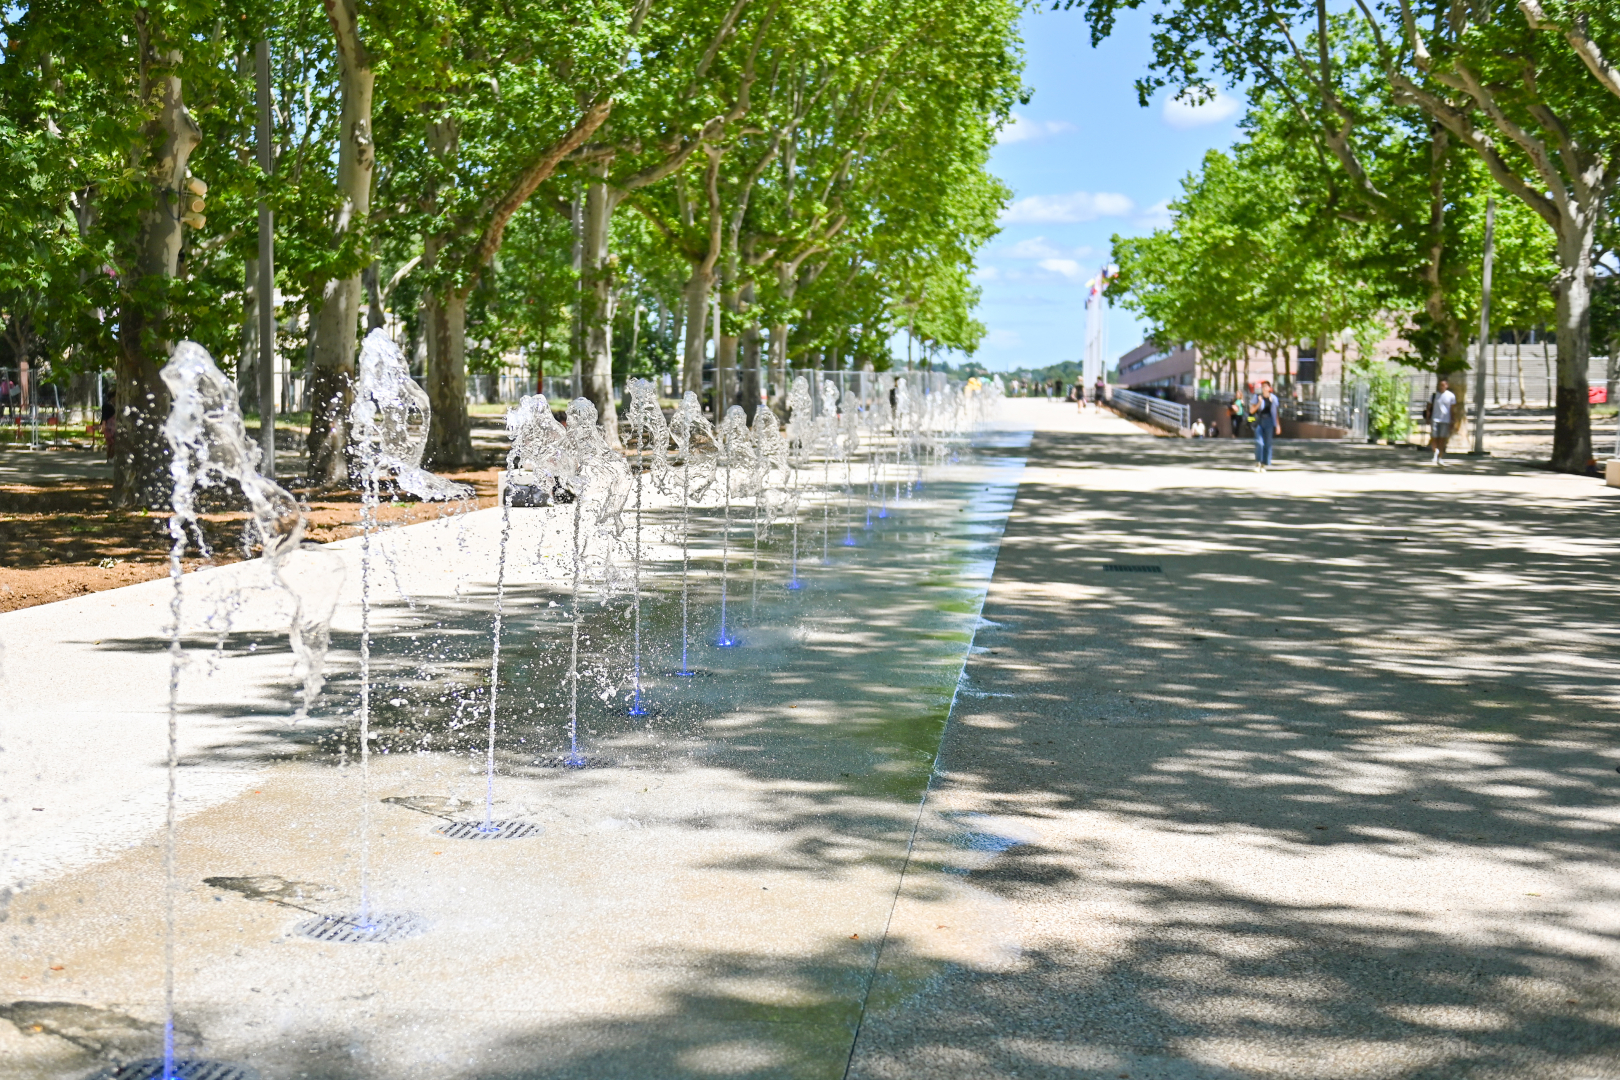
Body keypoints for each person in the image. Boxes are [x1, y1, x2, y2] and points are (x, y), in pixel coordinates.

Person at [1250, 379, 1281, 470]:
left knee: (1268, 443)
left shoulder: (1274, 399)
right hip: (1259, 421)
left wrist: (1278, 425)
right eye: (1262, 386)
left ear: (1269, 388)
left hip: (1269, 422)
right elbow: (1251, 410)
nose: (1264, 388)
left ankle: (1265, 463)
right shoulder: (1257, 397)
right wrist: (1259, 402)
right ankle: (1258, 462)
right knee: (1259, 442)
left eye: (1265, 386)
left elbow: (1276, 413)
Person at [1427, 377, 1457, 466]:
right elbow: (1428, 407)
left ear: (1447, 386)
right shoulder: (1434, 395)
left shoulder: (1451, 396)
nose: (1441, 387)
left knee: (1442, 439)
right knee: (1434, 437)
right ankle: (1435, 452)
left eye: (1443, 385)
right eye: (1440, 385)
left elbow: (1452, 409)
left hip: (1445, 420)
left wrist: (1453, 420)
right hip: (1435, 419)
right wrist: (1428, 418)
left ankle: (1440, 457)